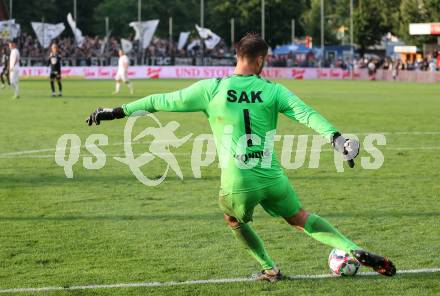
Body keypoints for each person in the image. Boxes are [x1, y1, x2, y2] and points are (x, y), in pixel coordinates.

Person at [86, 33, 396, 282]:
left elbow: (160, 100)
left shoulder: (213, 88)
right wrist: (336, 138)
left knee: (233, 218)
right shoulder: (274, 91)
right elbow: (307, 115)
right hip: (271, 174)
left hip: (238, 178)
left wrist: (114, 112)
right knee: (299, 217)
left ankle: (269, 268)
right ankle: (349, 247)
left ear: (238, 56)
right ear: (261, 60)